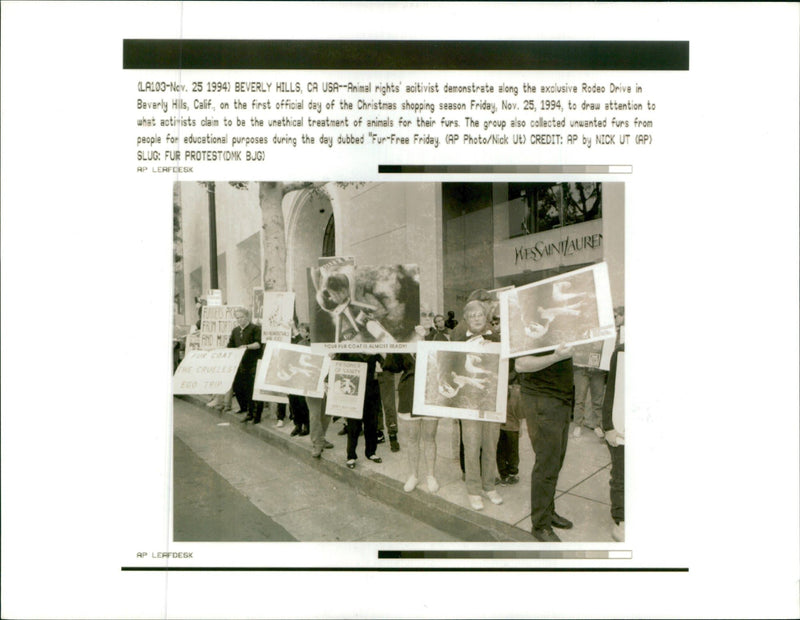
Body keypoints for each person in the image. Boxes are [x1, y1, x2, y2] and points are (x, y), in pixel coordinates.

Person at [515, 342, 576, 542]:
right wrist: (556, 357)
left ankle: (547, 513)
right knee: (546, 464)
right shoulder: (529, 325)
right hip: (543, 399)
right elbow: (521, 364)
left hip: (560, 399)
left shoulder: (558, 323)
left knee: (554, 462)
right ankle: (540, 524)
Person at [454, 300, 503, 511]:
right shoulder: (456, 340)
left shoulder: (497, 339)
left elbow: (507, 370)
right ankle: (473, 490)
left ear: (486, 318)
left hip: (492, 400)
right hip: (468, 401)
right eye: (471, 315)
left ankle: (489, 486)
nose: (475, 318)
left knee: (491, 444)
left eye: (479, 315)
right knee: (472, 445)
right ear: (465, 319)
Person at [334, 353, 383, 469]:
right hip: (353, 392)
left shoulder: (373, 347)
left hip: (371, 391)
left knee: (372, 424)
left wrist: (383, 358)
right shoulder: (349, 348)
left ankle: (371, 452)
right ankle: (351, 455)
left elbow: (386, 363)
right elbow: (336, 363)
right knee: (353, 426)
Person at [603, 306, 625, 541]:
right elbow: (610, 392)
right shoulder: (620, 353)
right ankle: (621, 518)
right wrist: (607, 425)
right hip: (620, 427)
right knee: (620, 474)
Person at [227, 308, 264, 424]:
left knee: (254, 390)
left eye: (241, 317)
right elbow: (230, 346)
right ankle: (249, 412)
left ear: (247, 317)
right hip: (240, 364)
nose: (239, 320)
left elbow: (258, 344)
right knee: (244, 389)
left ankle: (257, 415)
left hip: (253, 362)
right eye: (237, 318)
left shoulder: (255, 329)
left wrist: (246, 346)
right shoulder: (235, 331)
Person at [573, 363, 607, 439]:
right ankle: (578, 425)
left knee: (597, 401)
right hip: (581, 368)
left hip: (598, 369)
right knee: (580, 399)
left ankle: (597, 425)